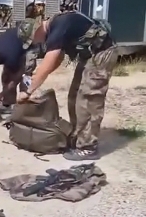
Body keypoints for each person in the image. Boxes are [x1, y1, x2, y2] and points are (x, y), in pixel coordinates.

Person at [16, 12, 118, 161]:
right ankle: (78, 137)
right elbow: (57, 59)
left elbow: (50, 62)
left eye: (33, 39)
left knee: (88, 100)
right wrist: (36, 77)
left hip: (102, 53)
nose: (36, 42)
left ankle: (88, 147)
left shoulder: (58, 27)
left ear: (37, 29)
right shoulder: (55, 29)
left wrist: (29, 91)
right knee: (74, 96)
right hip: (89, 56)